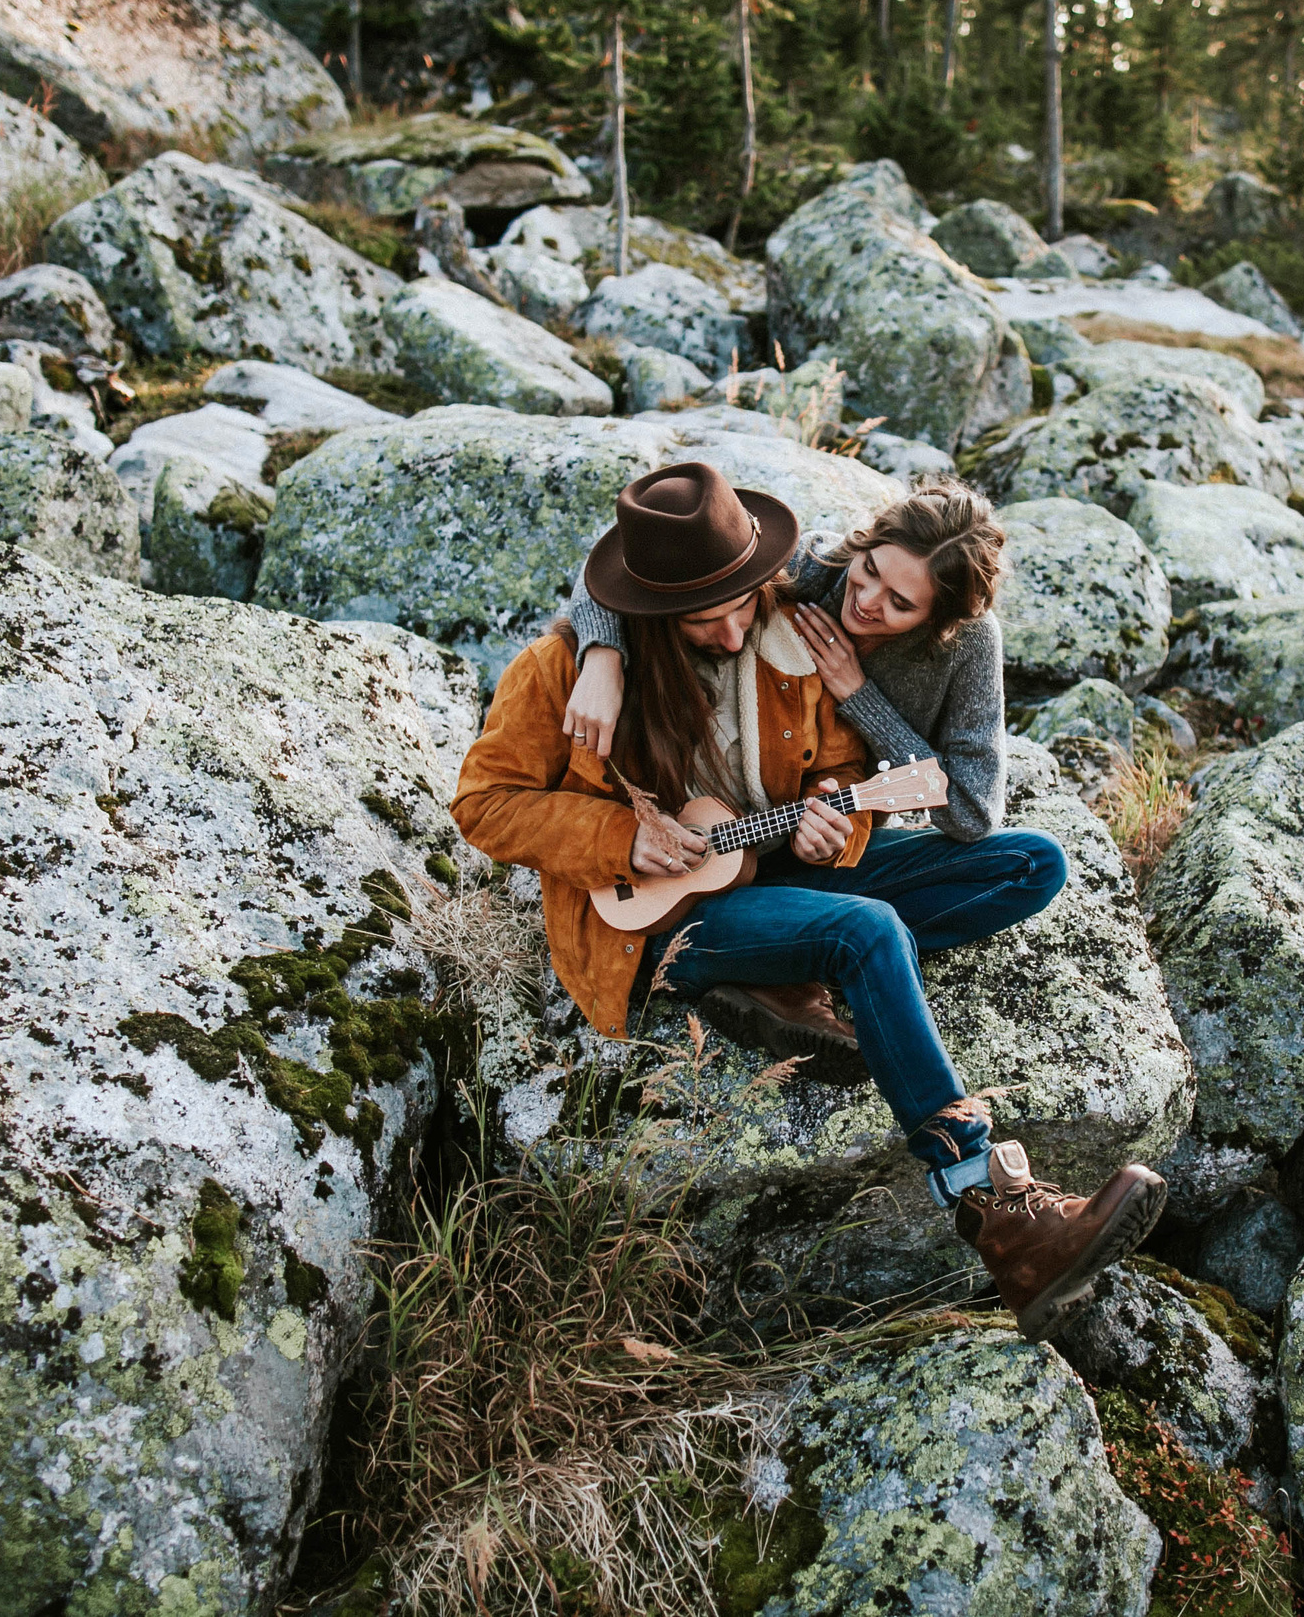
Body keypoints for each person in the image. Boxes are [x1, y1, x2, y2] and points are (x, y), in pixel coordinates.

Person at [451, 462, 1166, 1339]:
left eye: (741, 604)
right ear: (645, 607)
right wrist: (617, 838)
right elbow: (480, 804)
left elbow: (841, 769)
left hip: (773, 870)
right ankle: (998, 1215)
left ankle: (809, 959)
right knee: (870, 931)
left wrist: (837, 826)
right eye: (702, 617)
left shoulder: (786, 629)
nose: (730, 629)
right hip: (658, 921)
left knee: (1026, 866)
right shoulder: (561, 669)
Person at [559, 482, 1013, 1063]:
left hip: (826, 839)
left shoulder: (969, 645)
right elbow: (629, 557)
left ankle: (786, 952)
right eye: (870, 568)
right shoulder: (814, 563)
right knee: (868, 927)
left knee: (1032, 864)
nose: (868, 600)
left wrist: (860, 696)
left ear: (942, 617)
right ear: (866, 543)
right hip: (727, 828)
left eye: (901, 604)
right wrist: (603, 657)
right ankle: (800, 948)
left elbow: (974, 812)